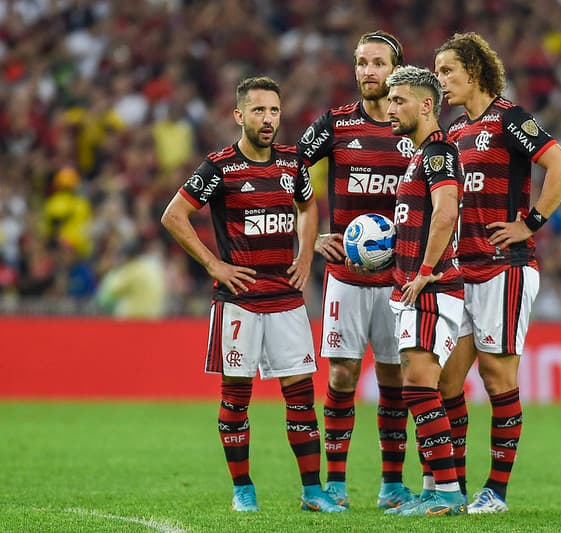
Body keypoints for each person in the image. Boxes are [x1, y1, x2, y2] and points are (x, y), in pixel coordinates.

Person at [160, 76, 345, 514]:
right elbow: (174, 215)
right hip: (239, 301)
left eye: (274, 111)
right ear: (239, 116)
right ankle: (243, 488)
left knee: (301, 398)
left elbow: (307, 204)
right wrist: (213, 264)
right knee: (235, 399)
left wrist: (305, 253)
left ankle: (313, 491)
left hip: (286, 299)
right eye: (259, 111)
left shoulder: (292, 163)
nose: (268, 119)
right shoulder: (220, 167)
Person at [433, 32, 561, 513]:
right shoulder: (454, 131)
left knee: (497, 378)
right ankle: (449, 486)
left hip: (504, 268)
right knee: (447, 383)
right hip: (462, 272)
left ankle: (495, 491)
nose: (442, 81)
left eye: (448, 71)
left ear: (473, 71)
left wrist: (529, 223)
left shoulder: (510, 119)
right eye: (437, 73)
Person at [297, 30, 416, 509]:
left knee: (394, 381)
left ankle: (391, 485)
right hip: (345, 279)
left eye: (378, 63)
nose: (368, 71)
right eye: (361, 63)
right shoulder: (336, 124)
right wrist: (309, 236)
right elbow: (287, 171)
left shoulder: (415, 130)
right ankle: (337, 485)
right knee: (342, 377)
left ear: (396, 69)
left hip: (397, 281)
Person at [383, 65, 466, 516]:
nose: (390, 108)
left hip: (430, 287)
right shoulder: (419, 155)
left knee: (418, 383)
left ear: (427, 105)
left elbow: (446, 210)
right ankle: (434, 488)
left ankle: (448, 493)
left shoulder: (437, 152)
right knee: (420, 385)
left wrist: (425, 269)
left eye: (399, 100)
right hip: (415, 287)